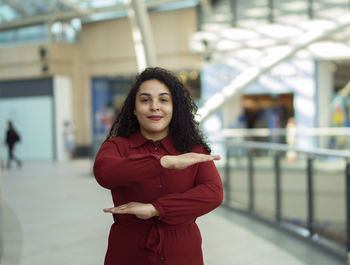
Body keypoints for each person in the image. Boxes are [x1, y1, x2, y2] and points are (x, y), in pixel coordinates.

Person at [93, 67, 223, 265]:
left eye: (163, 100)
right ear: (134, 109)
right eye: (145, 100)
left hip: (183, 252)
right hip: (128, 252)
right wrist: (164, 162)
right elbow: (105, 173)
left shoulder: (192, 149)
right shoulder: (117, 145)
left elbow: (213, 193)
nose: (155, 107)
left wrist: (156, 209)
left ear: (174, 107)